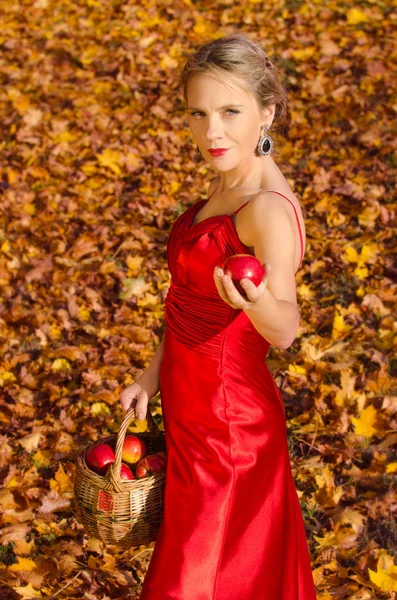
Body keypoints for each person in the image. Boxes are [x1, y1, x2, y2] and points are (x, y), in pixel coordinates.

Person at [120, 32, 317, 600]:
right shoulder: (226, 182)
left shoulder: (267, 211)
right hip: (190, 411)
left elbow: (286, 329)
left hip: (229, 431)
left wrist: (255, 304)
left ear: (267, 112)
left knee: (192, 582)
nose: (212, 132)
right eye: (198, 113)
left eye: (230, 112)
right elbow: (185, 297)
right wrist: (151, 377)